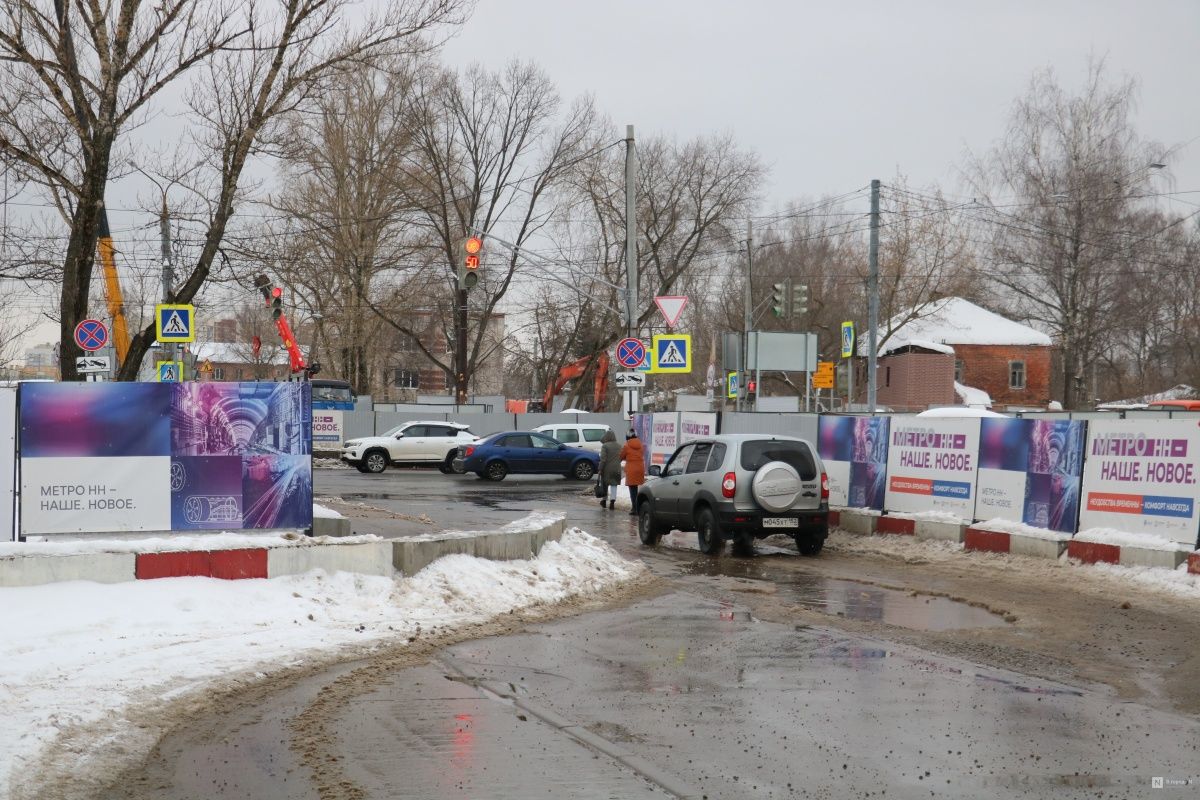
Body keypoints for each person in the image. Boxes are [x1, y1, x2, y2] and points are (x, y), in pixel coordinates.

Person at [619, 430, 645, 515]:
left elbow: (621, 456)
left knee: (632, 489)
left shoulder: (627, 445)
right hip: (640, 468)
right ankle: (638, 507)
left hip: (631, 469)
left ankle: (635, 508)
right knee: (636, 488)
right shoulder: (640, 444)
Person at [598, 429, 622, 510]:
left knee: (605, 484)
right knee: (614, 485)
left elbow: (603, 459)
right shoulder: (619, 445)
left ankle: (604, 501)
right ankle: (612, 502)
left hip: (607, 469)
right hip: (617, 468)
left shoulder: (605, 446)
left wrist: (600, 468)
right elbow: (621, 457)